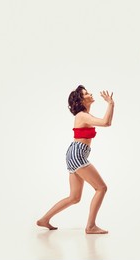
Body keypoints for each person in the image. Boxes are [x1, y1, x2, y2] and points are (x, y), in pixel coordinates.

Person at [37, 85, 114, 234]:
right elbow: (106, 122)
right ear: (80, 100)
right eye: (86, 93)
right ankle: (91, 226)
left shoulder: (84, 115)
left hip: (74, 154)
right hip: (77, 154)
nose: (90, 94)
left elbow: (105, 123)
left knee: (74, 197)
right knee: (101, 188)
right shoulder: (82, 115)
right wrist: (110, 104)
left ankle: (44, 219)